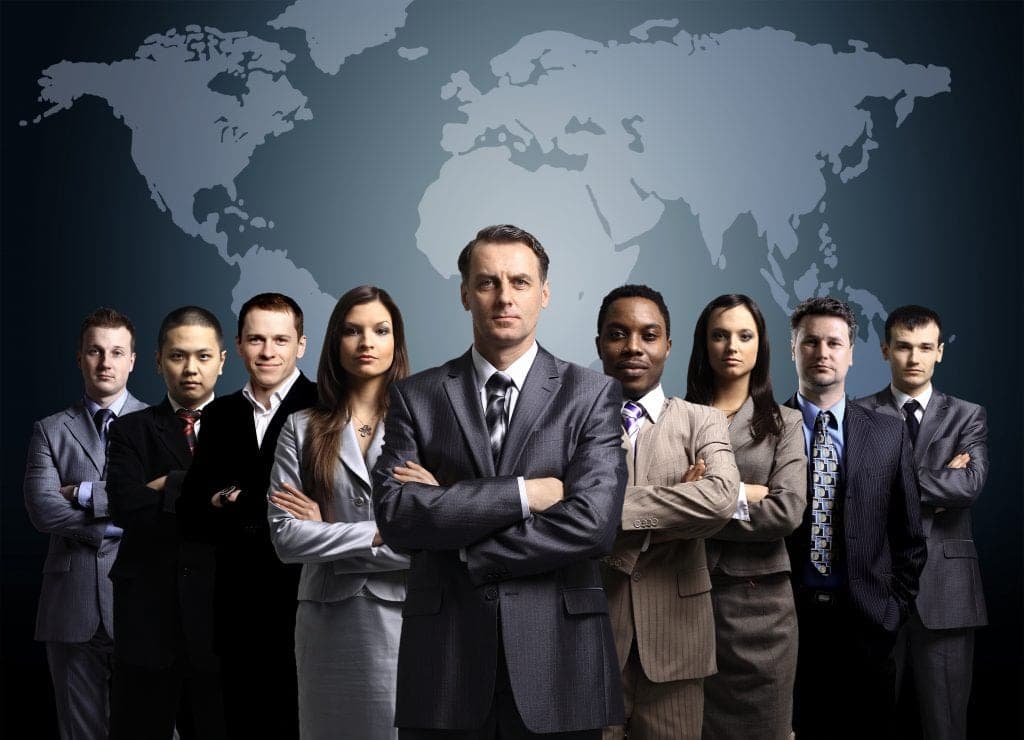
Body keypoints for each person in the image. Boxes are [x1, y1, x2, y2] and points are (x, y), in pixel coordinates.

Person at [372, 224, 628, 739]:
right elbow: (398, 517)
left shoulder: (592, 394)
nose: (504, 297)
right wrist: (526, 494)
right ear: (465, 293)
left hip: (560, 662)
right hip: (445, 663)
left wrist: (461, 533)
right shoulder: (415, 397)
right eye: (487, 282)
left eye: (520, 282)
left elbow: (595, 525)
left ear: (544, 293)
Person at [595, 284, 739, 740]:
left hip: (677, 644)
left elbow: (720, 498)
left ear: (668, 346)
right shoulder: (572, 422)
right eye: (618, 334)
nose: (633, 347)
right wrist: (679, 505)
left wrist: (602, 508)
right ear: (600, 343)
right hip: (592, 639)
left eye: (649, 334)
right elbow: (558, 517)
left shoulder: (703, 420)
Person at [267, 285, 411, 740]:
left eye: (379, 330)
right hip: (328, 623)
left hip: (405, 615)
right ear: (335, 342)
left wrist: (327, 532)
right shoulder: (301, 426)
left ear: (395, 342)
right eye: (352, 331)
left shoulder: (426, 422)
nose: (366, 342)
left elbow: (433, 539)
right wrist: (377, 534)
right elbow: (286, 540)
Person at [784, 296, 926, 740]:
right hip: (786, 620)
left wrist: (893, 610)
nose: (822, 353)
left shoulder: (886, 432)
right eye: (810, 342)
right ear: (793, 350)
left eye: (833, 342)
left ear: (851, 353)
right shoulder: (765, 427)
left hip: (867, 622)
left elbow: (909, 537)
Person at [178, 293, 317, 739]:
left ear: (301, 345)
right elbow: (191, 512)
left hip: (303, 594)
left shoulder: (324, 407)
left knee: (303, 720)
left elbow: (326, 505)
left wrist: (233, 498)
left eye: (280, 339)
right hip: (235, 600)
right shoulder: (218, 414)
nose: (268, 351)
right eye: (256, 339)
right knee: (242, 722)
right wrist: (220, 501)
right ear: (237, 345)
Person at [856, 304, 988, 740]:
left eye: (925, 348)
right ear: (884, 350)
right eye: (904, 347)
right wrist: (937, 480)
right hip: (874, 587)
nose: (914, 358)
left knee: (947, 725)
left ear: (940, 352)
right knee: (867, 720)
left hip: (947, 589)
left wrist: (888, 480)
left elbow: (968, 485)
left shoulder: (968, 414)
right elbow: (851, 491)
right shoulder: (857, 414)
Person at [684, 294, 806, 740]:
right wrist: (742, 494)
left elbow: (786, 510)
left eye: (744, 335)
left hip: (762, 613)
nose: (731, 345)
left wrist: (706, 496)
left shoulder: (786, 423)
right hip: (685, 598)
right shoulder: (677, 418)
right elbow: (657, 506)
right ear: (704, 345)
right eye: (719, 335)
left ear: (761, 346)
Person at [23, 307, 147, 740]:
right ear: (80, 358)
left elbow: (165, 503)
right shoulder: (49, 430)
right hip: (70, 604)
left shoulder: (160, 426)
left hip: (144, 603)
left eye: (116, 352)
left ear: (133, 359)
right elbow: (42, 509)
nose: (105, 362)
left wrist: (82, 493)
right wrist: (116, 525)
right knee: (81, 732)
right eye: (95, 351)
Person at [106, 306, 228, 739]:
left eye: (202, 356)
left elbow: (250, 515)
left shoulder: (248, 430)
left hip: (222, 621)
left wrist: (170, 484)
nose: (190, 369)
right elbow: (126, 508)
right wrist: (207, 495)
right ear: (158, 361)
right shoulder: (128, 431)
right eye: (178, 356)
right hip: (148, 622)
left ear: (221, 360)